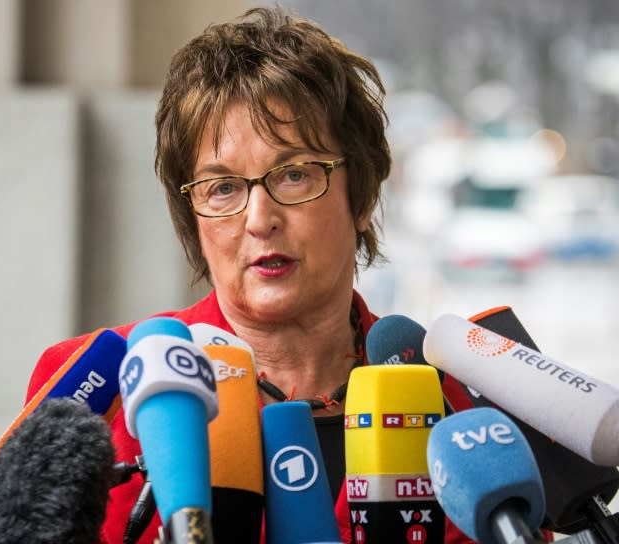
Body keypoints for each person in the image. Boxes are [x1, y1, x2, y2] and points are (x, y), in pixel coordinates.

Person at [28, 7, 477, 543]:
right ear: (192, 218)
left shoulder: (453, 400)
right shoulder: (97, 392)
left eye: (293, 174)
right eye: (222, 188)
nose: (259, 219)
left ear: (362, 196)